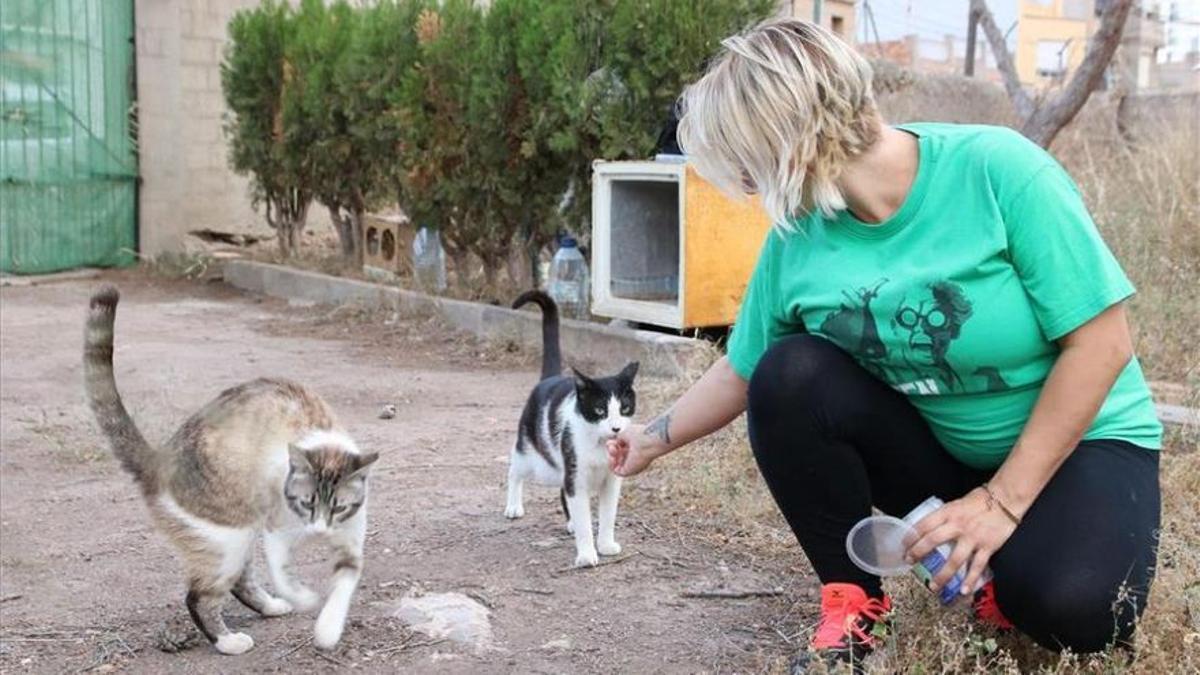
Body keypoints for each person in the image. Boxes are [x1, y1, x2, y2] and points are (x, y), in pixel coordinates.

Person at [606, 18, 1162, 672]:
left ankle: (1007, 566)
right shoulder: (798, 239)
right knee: (790, 375)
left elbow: (1101, 345)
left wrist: (1002, 502)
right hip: (947, 450)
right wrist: (651, 439)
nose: (747, 190)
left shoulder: (998, 171)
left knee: (1075, 607)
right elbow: (744, 369)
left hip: (1083, 441)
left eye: (746, 167)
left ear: (786, 146)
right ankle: (855, 601)